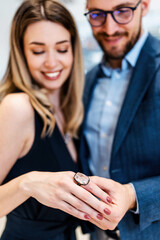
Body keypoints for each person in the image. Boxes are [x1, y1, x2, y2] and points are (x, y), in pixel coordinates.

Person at [0, 0, 117, 239]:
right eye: (38, 51)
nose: (52, 62)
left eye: (62, 49)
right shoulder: (18, 107)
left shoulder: (72, 110)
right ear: (21, 52)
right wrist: (27, 184)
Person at [80, 0, 160, 239]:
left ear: (144, 7)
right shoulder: (88, 80)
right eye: (97, 15)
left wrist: (132, 194)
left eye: (122, 12)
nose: (110, 28)